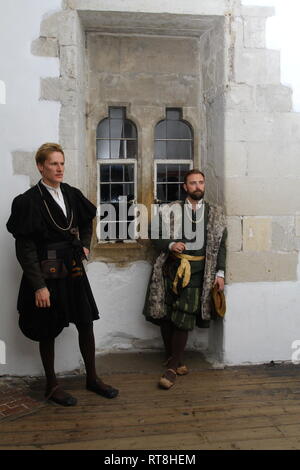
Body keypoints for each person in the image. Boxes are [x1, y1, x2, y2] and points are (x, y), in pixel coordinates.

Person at [7, 143, 118, 405]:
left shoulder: (71, 193)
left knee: (85, 322)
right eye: (53, 164)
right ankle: (52, 385)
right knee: (47, 328)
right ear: (40, 166)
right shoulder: (28, 201)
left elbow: (86, 221)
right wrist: (38, 286)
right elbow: (25, 249)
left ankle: (92, 378)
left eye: (62, 163)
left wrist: (86, 245)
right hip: (46, 273)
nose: (59, 169)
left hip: (73, 268)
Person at [143, 169, 227, 389]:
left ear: (204, 185)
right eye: (192, 183)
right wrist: (171, 245)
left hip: (200, 271)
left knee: (184, 316)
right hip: (171, 268)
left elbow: (222, 246)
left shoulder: (215, 213)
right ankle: (176, 359)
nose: (197, 186)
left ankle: (170, 369)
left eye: (200, 182)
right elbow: (154, 233)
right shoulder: (170, 210)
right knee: (167, 313)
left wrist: (220, 273)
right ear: (185, 186)